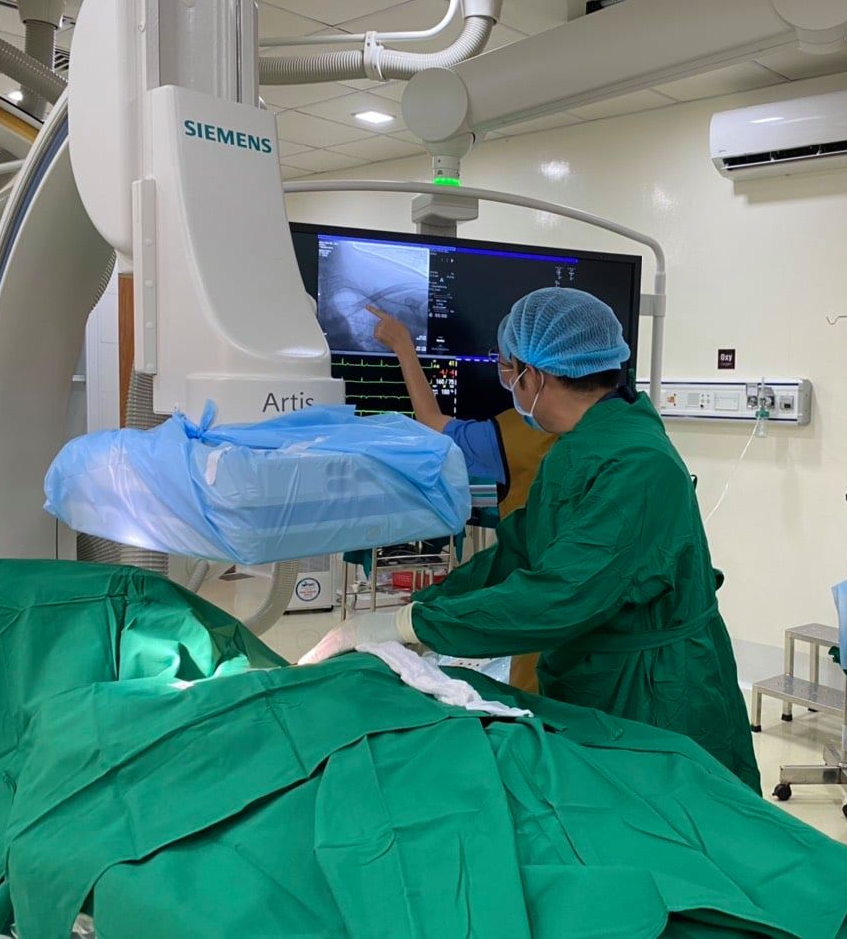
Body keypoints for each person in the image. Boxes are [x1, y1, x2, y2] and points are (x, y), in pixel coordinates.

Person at [303, 287, 762, 793]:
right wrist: (420, 610)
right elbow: (519, 551)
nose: (507, 381)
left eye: (507, 368)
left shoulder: (637, 465)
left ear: (535, 376)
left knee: (665, 818)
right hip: (597, 674)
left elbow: (558, 595)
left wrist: (413, 624)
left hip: (656, 692)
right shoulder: (580, 447)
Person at [366, 303, 556, 691]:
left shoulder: (515, 436)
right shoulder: (631, 427)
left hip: (560, 652)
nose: (503, 374)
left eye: (505, 365)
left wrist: (404, 347)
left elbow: (431, 423)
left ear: (532, 374)